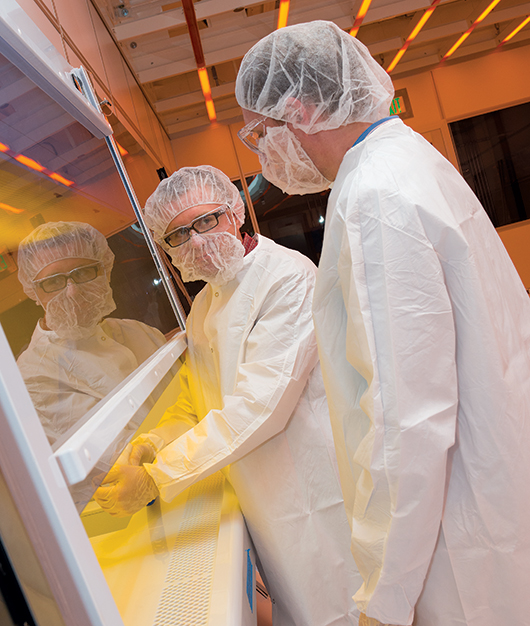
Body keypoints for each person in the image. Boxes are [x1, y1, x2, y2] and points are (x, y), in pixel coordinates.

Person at [234, 20, 530, 626]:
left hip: (455, 529)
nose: (265, 152)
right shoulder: (406, 156)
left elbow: (407, 419)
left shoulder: (374, 194)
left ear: (299, 109)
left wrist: (384, 596)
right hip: (491, 477)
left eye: (263, 131)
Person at [94, 165, 361, 626]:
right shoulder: (204, 304)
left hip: (315, 483)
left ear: (235, 213)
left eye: (207, 220)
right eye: (178, 234)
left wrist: (158, 478)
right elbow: (198, 402)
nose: (196, 240)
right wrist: (153, 444)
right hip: (267, 496)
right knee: (306, 604)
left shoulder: (285, 279)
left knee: (341, 601)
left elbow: (259, 407)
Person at [17, 221, 166, 444]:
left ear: (104, 273)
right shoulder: (33, 377)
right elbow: (116, 454)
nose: (72, 290)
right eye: (54, 281)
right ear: (34, 292)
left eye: (84, 272)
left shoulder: (138, 331)